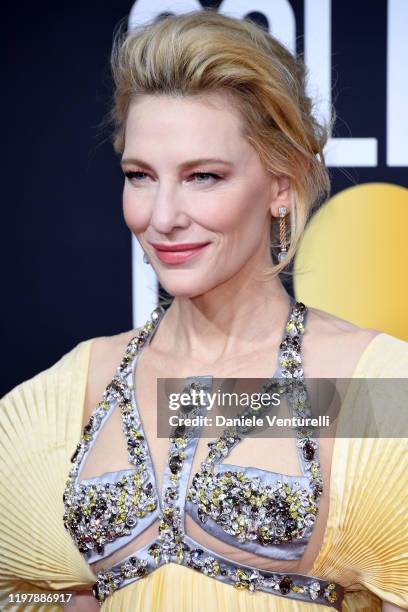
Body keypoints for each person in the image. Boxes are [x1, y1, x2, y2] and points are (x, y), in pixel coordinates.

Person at [0, 9, 407, 612]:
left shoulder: (368, 383)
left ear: (280, 182)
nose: (161, 217)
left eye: (204, 177)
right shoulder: (73, 388)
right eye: (140, 176)